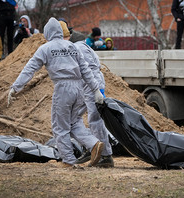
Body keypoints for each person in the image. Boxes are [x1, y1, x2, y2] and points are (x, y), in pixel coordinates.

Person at [7, 17, 105, 168]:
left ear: (47, 33)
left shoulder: (45, 48)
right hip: (79, 88)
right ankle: (94, 143)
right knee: (74, 122)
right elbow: (85, 69)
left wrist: (15, 87)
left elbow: (30, 69)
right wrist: (95, 90)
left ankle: (68, 160)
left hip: (62, 88)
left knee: (60, 127)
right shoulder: (72, 46)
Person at [59, 20, 114, 167]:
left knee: (94, 120)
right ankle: (91, 148)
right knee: (74, 118)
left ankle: (105, 156)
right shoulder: (80, 45)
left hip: (91, 84)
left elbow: (89, 70)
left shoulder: (78, 47)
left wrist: (96, 90)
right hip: (87, 86)